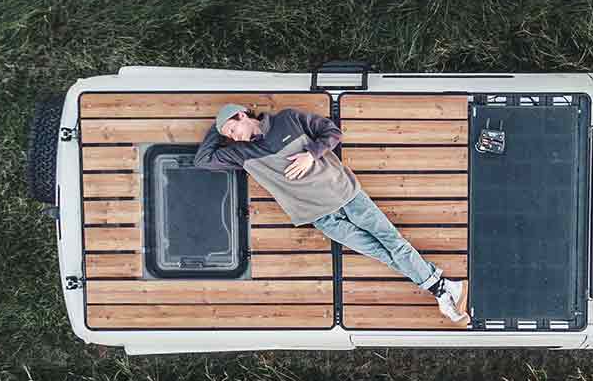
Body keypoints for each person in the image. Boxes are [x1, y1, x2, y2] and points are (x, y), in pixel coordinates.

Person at [194, 103, 469, 322]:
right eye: (228, 137)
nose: (233, 137)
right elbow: (203, 160)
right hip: (321, 216)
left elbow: (332, 132)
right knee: (381, 252)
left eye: (232, 129)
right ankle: (443, 288)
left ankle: (443, 291)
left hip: (346, 194)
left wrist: (311, 154)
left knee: (393, 242)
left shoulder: (287, 119)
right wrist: (216, 125)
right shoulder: (242, 155)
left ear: (242, 115)